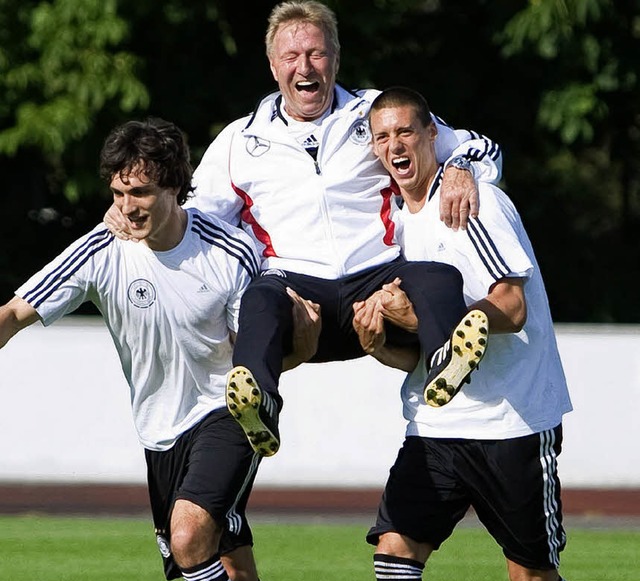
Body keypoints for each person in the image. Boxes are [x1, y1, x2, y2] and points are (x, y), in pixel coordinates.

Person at [0, 117, 337, 581]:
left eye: (143, 193)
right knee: (234, 576)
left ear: (176, 188)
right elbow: (15, 314)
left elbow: (266, 354)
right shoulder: (99, 248)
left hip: (230, 412)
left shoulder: (230, 251)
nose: (129, 206)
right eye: (121, 191)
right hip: (160, 432)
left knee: (190, 538)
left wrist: (305, 342)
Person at [351, 87, 639, 581]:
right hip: (435, 420)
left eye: (406, 133)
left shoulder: (471, 200)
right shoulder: (398, 222)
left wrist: (460, 320)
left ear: (432, 138)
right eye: (381, 136)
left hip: (511, 419)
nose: (394, 146)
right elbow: (416, 354)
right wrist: (377, 341)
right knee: (394, 552)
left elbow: (512, 301)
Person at [106, 0, 502, 459]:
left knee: (436, 275)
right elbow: (193, 218)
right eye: (291, 57)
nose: (305, 66)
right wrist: (131, 213)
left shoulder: (376, 112)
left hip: (379, 284)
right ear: (273, 67)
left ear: (335, 57)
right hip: (297, 298)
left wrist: (461, 169)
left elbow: (478, 145)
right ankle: (260, 406)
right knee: (260, 296)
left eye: (316, 53)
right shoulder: (240, 139)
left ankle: (444, 365)